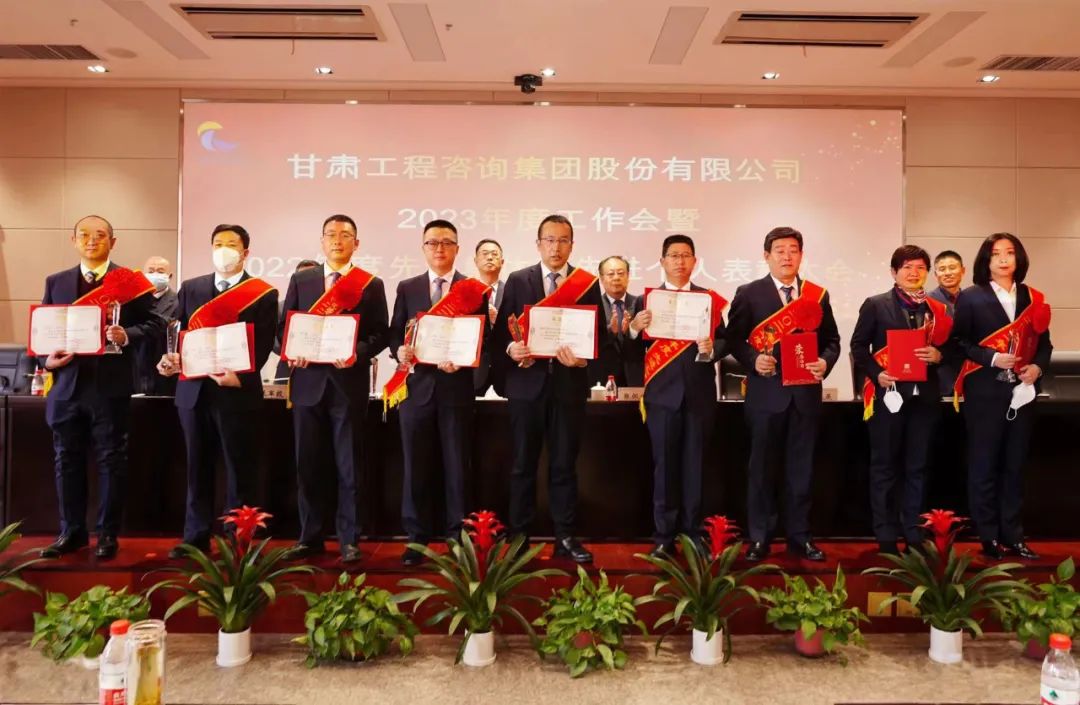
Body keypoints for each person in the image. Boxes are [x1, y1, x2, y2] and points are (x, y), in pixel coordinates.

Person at [38, 215, 164, 560]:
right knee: (66, 460)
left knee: (111, 460)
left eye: (99, 235)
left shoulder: (129, 281)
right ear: (74, 240)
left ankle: (107, 533)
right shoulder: (56, 281)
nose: (91, 240)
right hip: (66, 387)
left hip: (110, 387)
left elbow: (156, 324)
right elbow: (42, 331)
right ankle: (71, 532)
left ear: (113, 241)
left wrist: (127, 335)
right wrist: (47, 361)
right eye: (84, 235)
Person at [156, 225, 278, 559]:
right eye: (218, 243)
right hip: (194, 391)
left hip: (236, 391)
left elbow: (263, 343)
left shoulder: (263, 293)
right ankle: (195, 536)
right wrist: (171, 359)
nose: (224, 249)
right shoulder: (192, 287)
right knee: (197, 467)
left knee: (239, 468)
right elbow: (179, 333)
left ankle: (238, 537)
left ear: (245, 252)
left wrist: (240, 376)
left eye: (231, 244)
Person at [726, 226, 840, 562]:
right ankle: (759, 538)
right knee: (762, 470)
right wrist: (753, 360)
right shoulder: (749, 293)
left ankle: (800, 537)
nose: (787, 256)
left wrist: (825, 362)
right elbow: (734, 339)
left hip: (805, 396)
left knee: (801, 471)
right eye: (780, 250)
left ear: (801, 255)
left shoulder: (816, 295)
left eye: (793, 250)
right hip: (766, 396)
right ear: (767, 256)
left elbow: (832, 340)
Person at [493, 214, 602, 563]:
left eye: (563, 240)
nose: (556, 247)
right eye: (550, 240)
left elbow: (599, 339)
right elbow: (500, 335)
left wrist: (583, 362)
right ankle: (519, 539)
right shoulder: (517, 280)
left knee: (564, 465)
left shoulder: (586, 284)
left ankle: (565, 537)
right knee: (522, 465)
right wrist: (512, 349)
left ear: (572, 245)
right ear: (538, 244)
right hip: (527, 387)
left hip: (568, 389)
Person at [279, 215, 388, 564]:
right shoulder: (302, 279)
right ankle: (309, 536)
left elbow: (381, 334)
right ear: (322, 241)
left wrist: (357, 353)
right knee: (308, 463)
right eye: (331, 234)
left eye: (345, 235)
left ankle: (349, 539)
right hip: (308, 383)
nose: (337, 240)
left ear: (357, 243)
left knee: (349, 464)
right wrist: (291, 351)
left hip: (347, 383)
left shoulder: (370, 284)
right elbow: (283, 329)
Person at [387, 220, 491, 566]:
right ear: (423, 248)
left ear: (457, 249)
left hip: (456, 389)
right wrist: (399, 350)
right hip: (416, 390)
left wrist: (463, 360)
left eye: (447, 242)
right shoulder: (408, 287)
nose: (439, 249)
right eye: (432, 243)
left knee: (457, 466)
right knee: (415, 466)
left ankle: (458, 537)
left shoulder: (472, 289)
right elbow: (395, 332)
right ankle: (416, 538)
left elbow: (483, 338)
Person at [952, 233, 1051, 561]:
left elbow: (1045, 344)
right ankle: (989, 535)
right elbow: (959, 343)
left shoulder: (1033, 298)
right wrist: (992, 358)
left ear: (1019, 258)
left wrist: (1037, 367)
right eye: (996, 254)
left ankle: (1014, 534)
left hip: (1022, 393)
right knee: (984, 465)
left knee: (1014, 466)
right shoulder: (971, 297)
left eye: (1010, 253)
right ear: (986, 260)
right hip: (984, 392)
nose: (1004, 259)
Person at [850, 245, 952, 555]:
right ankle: (885, 535)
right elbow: (858, 348)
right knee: (884, 468)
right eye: (907, 267)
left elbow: (954, 348)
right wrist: (877, 374)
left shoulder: (938, 309)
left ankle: (913, 532)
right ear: (894, 272)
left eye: (920, 267)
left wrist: (940, 355)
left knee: (917, 467)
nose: (913, 273)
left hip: (925, 399)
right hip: (888, 397)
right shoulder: (876, 305)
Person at [628, 236, 725, 556]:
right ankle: (664, 536)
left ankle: (694, 534)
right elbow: (629, 348)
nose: (680, 261)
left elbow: (725, 340)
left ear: (695, 261)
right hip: (662, 397)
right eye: (673, 255)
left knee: (696, 467)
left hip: (699, 395)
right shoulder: (646, 301)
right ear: (662, 261)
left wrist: (712, 349)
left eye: (686, 256)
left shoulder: (708, 300)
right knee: (665, 468)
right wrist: (633, 328)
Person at [589, 255, 645, 388]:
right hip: (603, 378)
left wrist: (631, 332)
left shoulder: (640, 303)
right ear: (601, 278)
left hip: (635, 377)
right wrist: (610, 332)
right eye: (610, 274)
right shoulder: (594, 306)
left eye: (621, 273)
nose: (616, 278)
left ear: (628, 276)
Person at [132, 256, 178, 396]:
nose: (155, 275)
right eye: (151, 271)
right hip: (135, 369)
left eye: (160, 271)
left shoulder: (179, 301)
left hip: (164, 370)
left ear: (170, 276)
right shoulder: (132, 300)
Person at [273, 259, 321, 382]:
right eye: (303, 277)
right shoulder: (281, 307)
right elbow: (275, 343)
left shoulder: (330, 307)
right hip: (289, 366)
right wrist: (295, 351)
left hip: (324, 369)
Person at [929, 250, 966, 393]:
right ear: (935, 274)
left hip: (970, 371)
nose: (947, 273)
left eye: (952, 268)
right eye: (942, 269)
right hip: (940, 374)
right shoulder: (926, 301)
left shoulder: (973, 299)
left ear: (963, 271)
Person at [472, 238, 505, 396]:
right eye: (484, 254)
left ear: (502, 261)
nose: (490, 258)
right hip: (475, 368)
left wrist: (498, 320)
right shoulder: (467, 293)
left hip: (505, 367)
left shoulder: (512, 290)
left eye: (494, 254)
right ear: (476, 261)